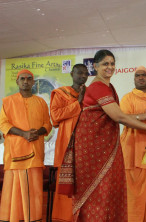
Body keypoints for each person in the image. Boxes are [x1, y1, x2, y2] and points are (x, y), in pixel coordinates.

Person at [58, 50, 146, 222]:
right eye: (105, 64)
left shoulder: (107, 86)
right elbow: (119, 117)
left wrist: (144, 116)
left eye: (112, 63)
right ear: (95, 66)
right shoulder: (97, 87)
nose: (110, 67)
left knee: (109, 191)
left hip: (105, 148)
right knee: (97, 193)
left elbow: (117, 114)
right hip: (93, 150)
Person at [0, 69, 52, 222]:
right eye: (22, 79)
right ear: (17, 81)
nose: (25, 81)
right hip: (15, 152)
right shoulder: (8, 101)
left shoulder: (41, 102)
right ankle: (12, 218)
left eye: (29, 79)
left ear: (33, 82)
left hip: (35, 151)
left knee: (34, 189)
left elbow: (47, 124)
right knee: (14, 189)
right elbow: (3, 124)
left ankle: (33, 218)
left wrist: (37, 132)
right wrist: (24, 134)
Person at [120, 66, 146, 222]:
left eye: (144, 75)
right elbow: (124, 119)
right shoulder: (127, 98)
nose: (141, 78)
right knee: (130, 191)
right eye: (137, 75)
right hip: (130, 148)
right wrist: (143, 116)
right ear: (134, 79)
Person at [50, 64, 89, 221]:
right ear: (72, 73)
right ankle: (65, 217)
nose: (83, 76)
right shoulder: (61, 93)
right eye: (80, 73)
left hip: (85, 143)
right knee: (66, 180)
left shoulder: (90, 93)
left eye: (86, 74)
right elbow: (55, 116)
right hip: (67, 143)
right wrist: (77, 102)